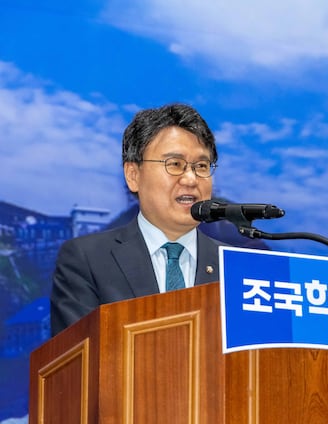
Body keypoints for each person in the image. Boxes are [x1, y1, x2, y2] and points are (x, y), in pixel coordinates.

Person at [50, 103, 223, 336]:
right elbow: (79, 352)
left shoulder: (236, 266)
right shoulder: (87, 261)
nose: (191, 179)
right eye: (175, 164)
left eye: (201, 166)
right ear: (133, 175)